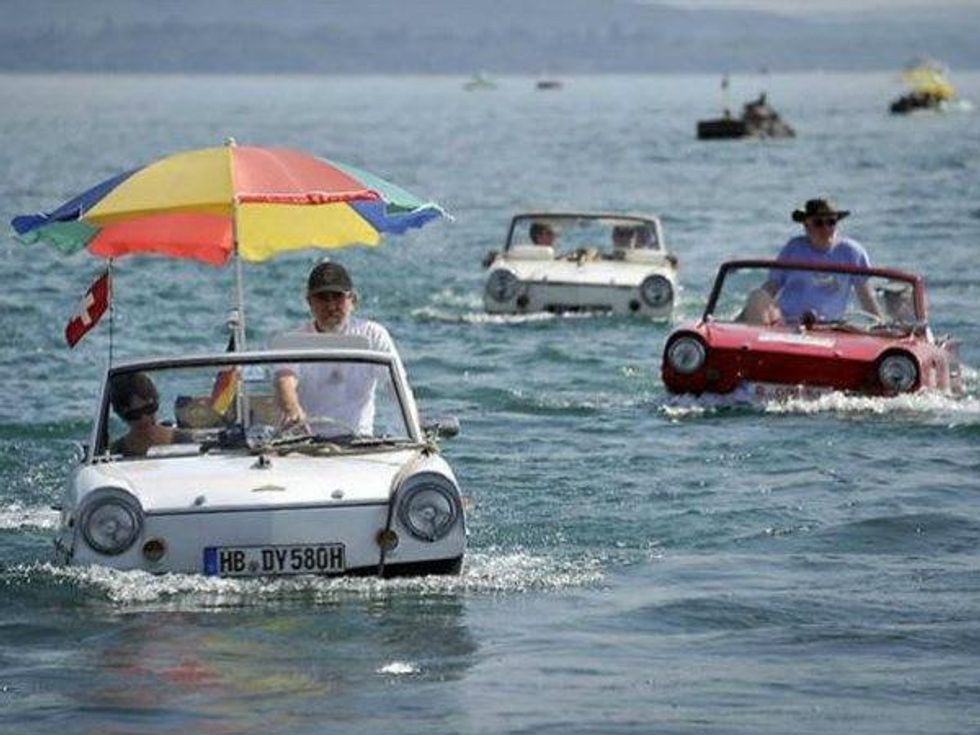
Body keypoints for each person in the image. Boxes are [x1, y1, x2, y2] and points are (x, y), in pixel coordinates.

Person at [274, 260, 402, 436]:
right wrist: (292, 408)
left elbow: (396, 386)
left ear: (353, 300)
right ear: (309, 302)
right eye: (322, 298)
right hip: (305, 442)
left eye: (337, 297)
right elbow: (285, 380)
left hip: (359, 442)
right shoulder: (294, 341)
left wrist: (415, 427)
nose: (331, 306)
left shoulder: (373, 335)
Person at [741, 198, 883, 325]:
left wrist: (881, 326)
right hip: (786, 322)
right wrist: (751, 310)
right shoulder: (793, 247)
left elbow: (866, 297)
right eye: (818, 223)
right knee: (757, 296)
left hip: (829, 327)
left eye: (831, 222)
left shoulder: (852, 252)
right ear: (806, 226)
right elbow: (771, 286)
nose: (826, 228)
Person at [109, 372, 192, 456]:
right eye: (134, 414)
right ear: (121, 415)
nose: (144, 418)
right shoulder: (115, 453)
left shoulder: (187, 442)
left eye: (149, 408)